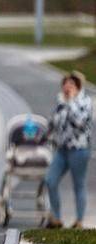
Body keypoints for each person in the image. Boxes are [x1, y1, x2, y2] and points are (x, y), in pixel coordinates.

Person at [44, 71, 92, 229]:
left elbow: (79, 123)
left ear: (77, 86)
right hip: (62, 150)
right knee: (51, 180)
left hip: (79, 149)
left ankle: (79, 221)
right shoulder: (60, 102)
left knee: (78, 184)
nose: (67, 87)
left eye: (71, 84)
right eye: (65, 83)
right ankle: (56, 218)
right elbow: (53, 123)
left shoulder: (85, 102)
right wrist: (43, 136)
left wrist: (71, 101)